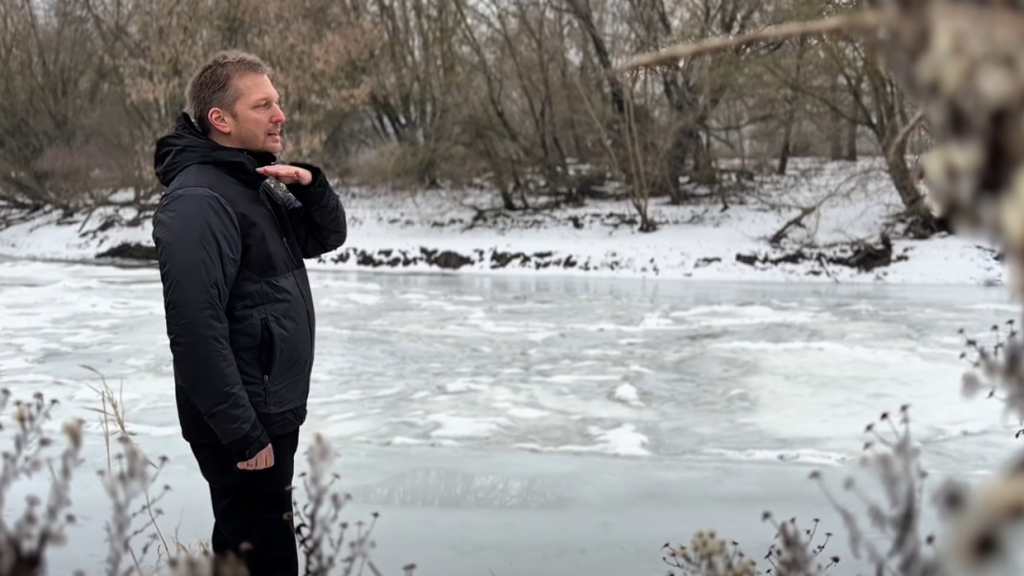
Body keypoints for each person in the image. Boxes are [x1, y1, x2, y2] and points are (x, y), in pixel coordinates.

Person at [150, 50, 347, 576]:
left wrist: (312, 187)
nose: (280, 115)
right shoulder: (198, 200)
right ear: (221, 118)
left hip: (267, 408)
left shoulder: (249, 183)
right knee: (260, 557)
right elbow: (194, 330)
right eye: (263, 105)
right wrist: (241, 431)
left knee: (259, 552)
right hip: (243, 419)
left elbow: (324, 237)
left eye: (276, 102)